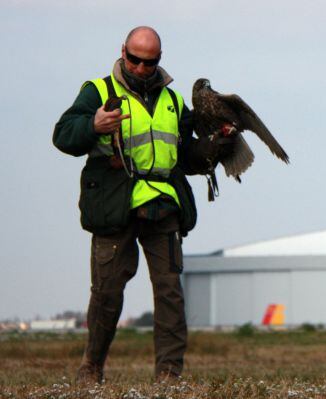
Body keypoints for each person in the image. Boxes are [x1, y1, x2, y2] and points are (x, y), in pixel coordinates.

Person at [53, 26, 226, 383]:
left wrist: (215, 145)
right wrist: (93, 124)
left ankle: (169, 375)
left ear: (159, 60)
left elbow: (187, 157)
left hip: (163, 204)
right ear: (123, 52)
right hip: (114, 204)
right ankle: (91, 368)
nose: (142, 68)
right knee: (107, 295)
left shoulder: (174, 101)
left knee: (170, 294)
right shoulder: (98, 91)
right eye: (135, 60)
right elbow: (63, 136)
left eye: (151, 62)